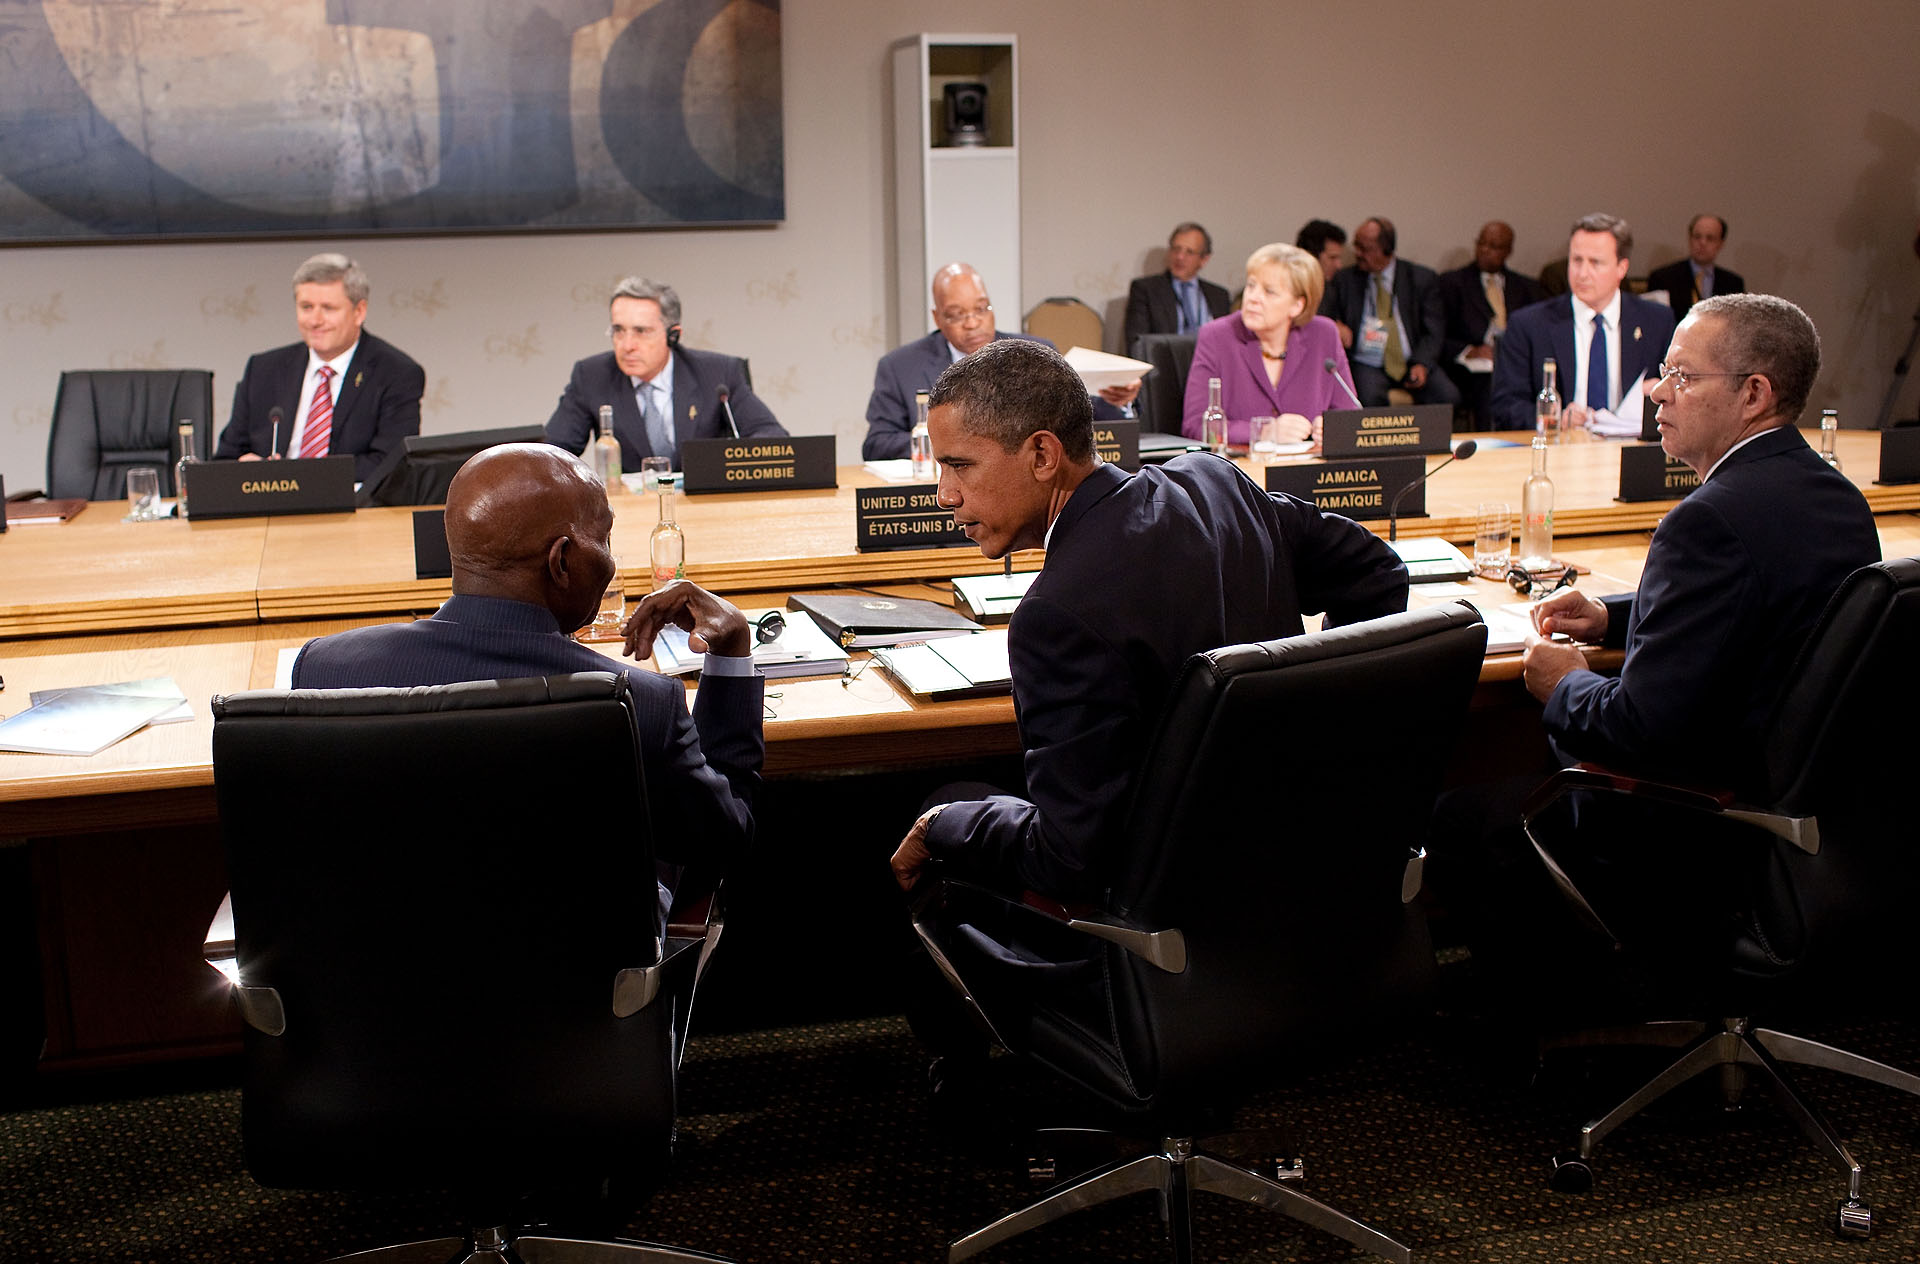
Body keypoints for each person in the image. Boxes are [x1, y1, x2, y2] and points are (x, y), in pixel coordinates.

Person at [1431, 294, 1879, 981]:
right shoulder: (1832, 495)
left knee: (1463, 814)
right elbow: (1764, 604)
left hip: (1694, 829)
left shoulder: (1706, 522)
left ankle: (1547, 1028)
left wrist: (1563, 682)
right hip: (1812, 818)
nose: (1658, 395)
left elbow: (1637, 728)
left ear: (1755, 394)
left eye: (1682, 377)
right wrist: (1616, 615)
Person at [888, 339, 1407, 903]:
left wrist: (945, 822)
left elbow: (1067, 859)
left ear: (1042, 455)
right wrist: (1321, 725)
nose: (944, 494)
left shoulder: (1053, 615)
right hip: (1301, 860)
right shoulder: (1218, 483)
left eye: (959, 465)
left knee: (942, 801)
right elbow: (1377, 575)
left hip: (1175, 918)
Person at [292, 442, 764, 915]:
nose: (610, 561)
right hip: (582, 986)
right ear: (561, 562)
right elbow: (724, 842)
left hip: (377, 978)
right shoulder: (637, 703)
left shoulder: (325, 669)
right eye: (605, 539)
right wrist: (731, 654)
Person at [862, 263, 1138, 460]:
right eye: (956, 315)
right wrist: (956, 447)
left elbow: (1083, 423)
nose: (972, 323)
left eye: (981, 309)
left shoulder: (1037, 352)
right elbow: (877, 444)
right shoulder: (900, 366)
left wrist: (1119, 401)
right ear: (937, 318)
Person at [213, 252, 424, 483]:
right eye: (306, 307)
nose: (315, 320)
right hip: (269, 508)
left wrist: (295, 477)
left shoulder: (396, 373)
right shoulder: (263, 370)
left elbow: (390, 465)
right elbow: (226, 458)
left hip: (351, 510)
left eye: (328, 308)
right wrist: (244, 467)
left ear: (359, 312)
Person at [545, 276, 785, 471]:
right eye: (619, 330)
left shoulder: (718, 373)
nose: (627, 345)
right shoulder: (592, 376)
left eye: (641, 331)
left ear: (673, 335)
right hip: (626, 514)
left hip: (703, 505)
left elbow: (771, 437)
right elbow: (551, 452)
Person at [1489, 213, 1675, 432]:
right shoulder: (1529, 325)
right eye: (1576, 260)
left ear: (1621, 268)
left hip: (1630, 449)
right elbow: (1505, 405)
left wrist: (1660, 392)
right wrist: (1554, 419)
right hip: (1561, 447)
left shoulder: (1656, 321)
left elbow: (1681, 396)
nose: (1582, 274)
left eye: (1595, 263)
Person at [1182, 242, 1357, 445]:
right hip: (1241, 472)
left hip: (1306, 469)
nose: (1253, 298)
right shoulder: (1216, 336)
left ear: (1297, 305)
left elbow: (1349, 417)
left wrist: (1331, 429)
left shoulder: (1324, 334)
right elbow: (1194, 426)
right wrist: (1264, 432)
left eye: (1269, 292)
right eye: (1251, 285)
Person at [1318, 217, 1460, 408]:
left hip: (1411, 360)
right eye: (1356, 246)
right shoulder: (1345, 280)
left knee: (1447, 396)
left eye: (1365, 248)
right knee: (1368, 399)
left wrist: (1422, 363)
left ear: (1385, 249)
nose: (1357, 253)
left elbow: (1434, 330)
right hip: (1367, 362)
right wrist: (1336, 323)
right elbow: (1324, 312)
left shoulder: (1420, 279)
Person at [1439, 221, 1549, 427]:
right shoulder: (1452, 283)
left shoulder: (1527, 288)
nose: (1484, 251)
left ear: (1508, 251)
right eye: (1481, 243)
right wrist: (1469, 350)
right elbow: (1438, 336)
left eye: (1494, 247)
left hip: (1515, 361)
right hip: (1469, 370)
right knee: (1490, 382)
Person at [1122, 221, 1231, 348]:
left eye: (1189, 252)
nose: (1180, 257)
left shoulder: (1219, 295)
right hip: (1167, 364)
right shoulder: (1146, 290)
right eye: (1176, 249)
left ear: (1204, 259)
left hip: (1211, 364)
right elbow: (1137, 343)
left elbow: (1228, 343)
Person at [1646, 214, 1745, 322]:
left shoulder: (1733, 283)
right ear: (1689, 239)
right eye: (1697, 237)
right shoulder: (1663, 278)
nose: (1702, 243)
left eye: (1710, 238)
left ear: (1721, 244)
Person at [1296, 219, 1348, 284]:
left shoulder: (1332, 289)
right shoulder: (1286, 288)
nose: (1339, 266)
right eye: (1332, 257)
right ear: (1312, 256)